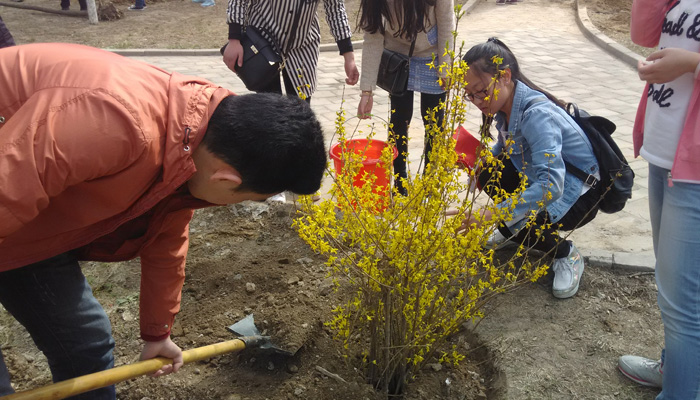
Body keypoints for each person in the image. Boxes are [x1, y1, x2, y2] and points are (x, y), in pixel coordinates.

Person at [0, 43, 326, 398]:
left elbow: (165, 238)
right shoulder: (114, 123)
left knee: (85, 344)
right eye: (251, 197)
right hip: (12, 179)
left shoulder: (196, 139)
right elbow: (10, 187)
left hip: (33, 216)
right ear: (226, 179)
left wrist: (157, 332)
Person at [458, 38, 602, 299]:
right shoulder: (506, 105)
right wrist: (477, 164)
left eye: (480, 91)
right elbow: (504, 147)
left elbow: (551, 186)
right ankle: (513, 230)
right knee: (490, 172)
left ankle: (566, 254)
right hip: (546, 179)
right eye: (470, 95)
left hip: (578, 194)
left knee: (517, 216)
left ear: (504, 76)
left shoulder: (536, 114)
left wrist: (495, 213)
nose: (477, 100)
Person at [617, 0, 700, 397]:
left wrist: (690, 63)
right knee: (674, 289)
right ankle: (678, 370)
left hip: (696, 173)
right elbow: (643, 33)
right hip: (666, 157)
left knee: (682, 302)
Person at [356, 0, 455, 195]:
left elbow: (446, 23)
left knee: (434, 121)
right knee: (399, 120)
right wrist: (366, 91)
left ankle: (430, 182)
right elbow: (373, 36)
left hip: (432, 54)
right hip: (399, 57)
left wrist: (446, 68)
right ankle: (400, 182)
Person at [223, 0, 359, 103]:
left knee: (300, 112)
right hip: (262, 42)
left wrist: (349, 56)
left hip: (302, 45)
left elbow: (335, 10)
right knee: (268, 111)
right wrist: (234, 39)